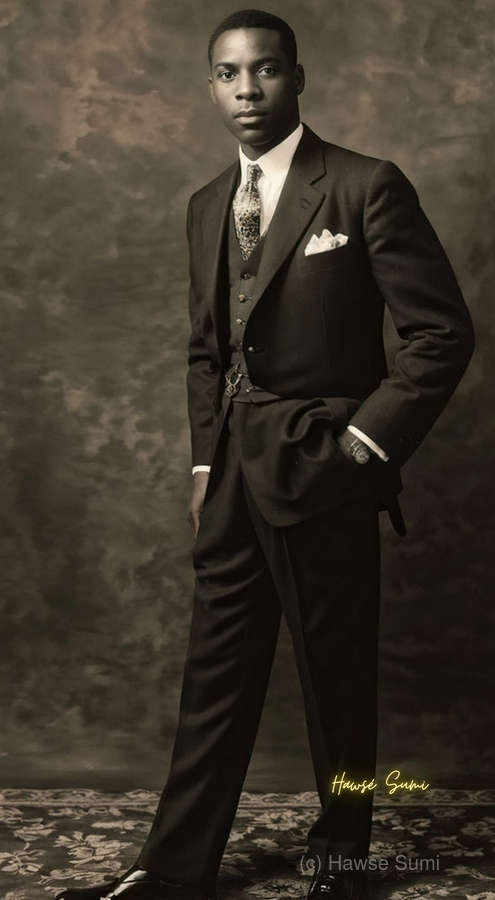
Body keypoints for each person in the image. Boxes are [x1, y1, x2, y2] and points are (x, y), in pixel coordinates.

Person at [55, 9, 475, 900]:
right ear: (211, 87)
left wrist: (362, 445)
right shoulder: (207, 204)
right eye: (228, 73)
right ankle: (172, 869)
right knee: (213, 676)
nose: (247, 89)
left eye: (265, 69)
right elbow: (206, 353)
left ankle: (344, 857)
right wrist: (203, 466)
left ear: (296, 77)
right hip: (231, 479)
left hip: (324, 467)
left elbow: (440, 333)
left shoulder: (363, 185)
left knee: (335, 679)